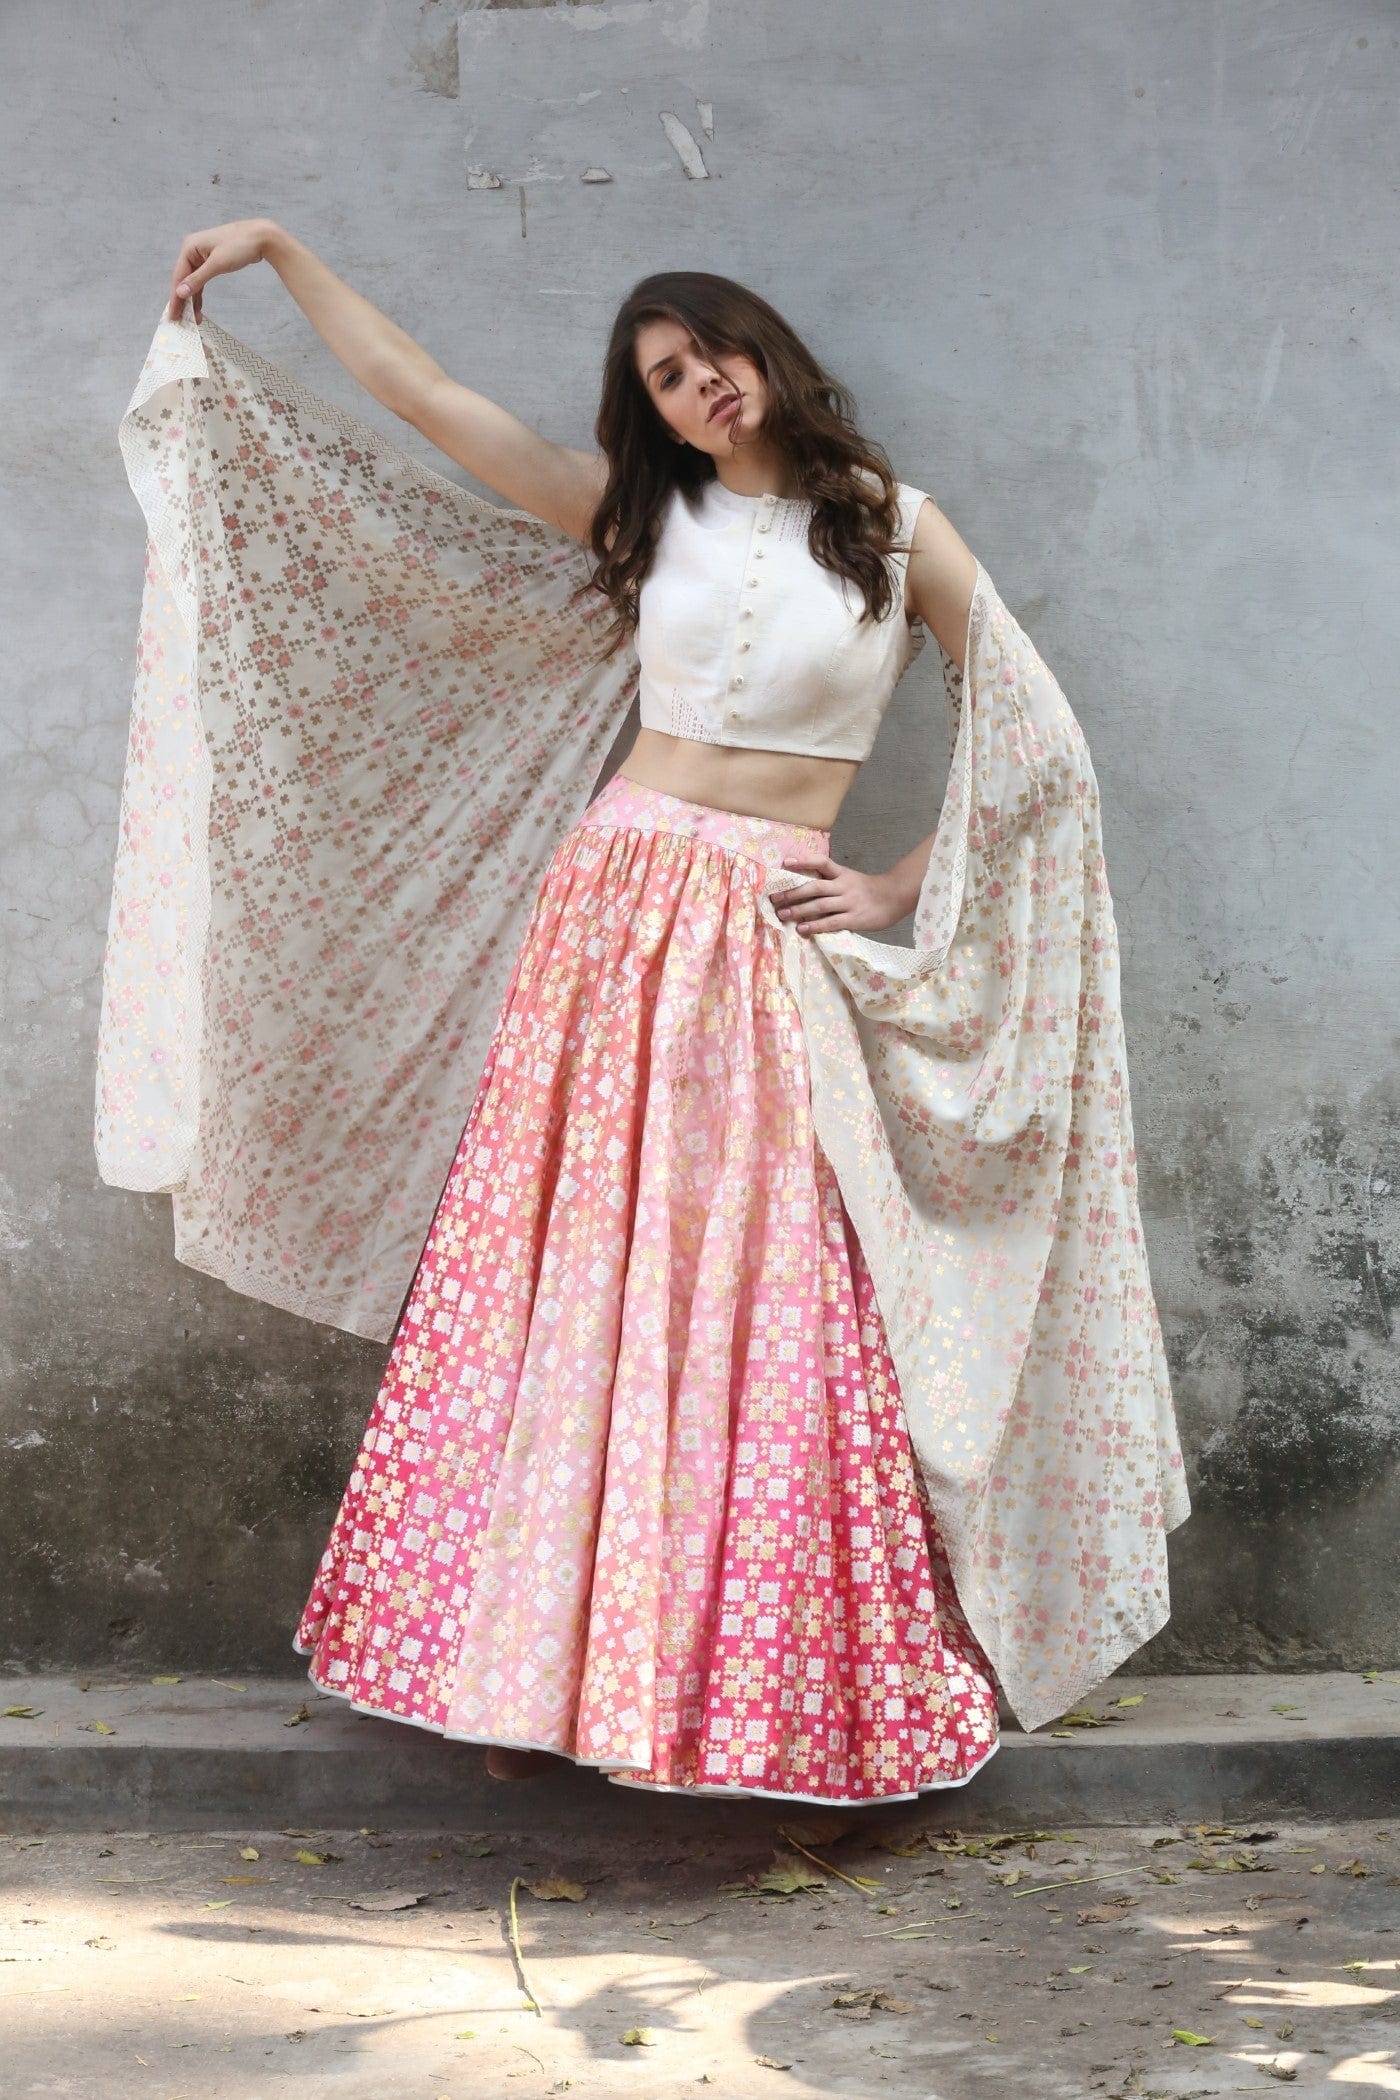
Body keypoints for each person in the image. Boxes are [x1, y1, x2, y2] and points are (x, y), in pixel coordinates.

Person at [149, 220, 1175, 1802]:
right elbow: (428, 397)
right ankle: (519, 1672)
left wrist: (894, 887)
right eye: (669, 379)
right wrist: (284, 253)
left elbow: (1039, 751)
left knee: (763, 1285)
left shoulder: (895, 531)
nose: (704, 387)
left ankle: (725, 1685)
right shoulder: (648, 517)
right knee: (566, 1269)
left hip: (762, 926)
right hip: (613, 908)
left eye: (714, 354)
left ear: (767, 351)